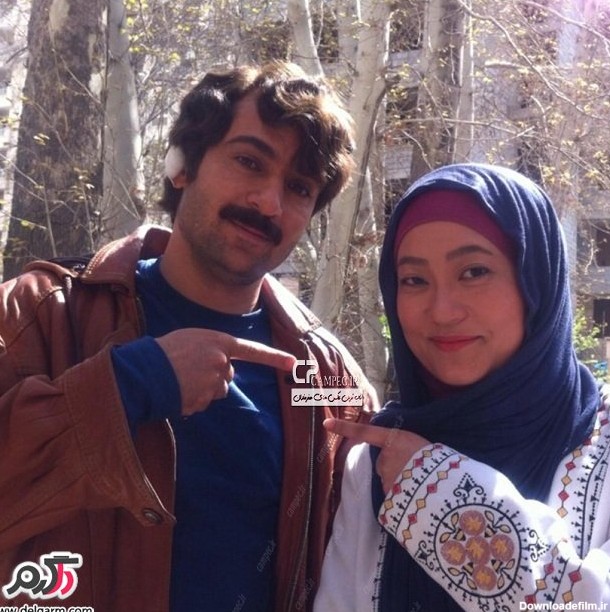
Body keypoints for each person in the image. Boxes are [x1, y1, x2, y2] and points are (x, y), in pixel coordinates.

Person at [0, 61, 376, 612]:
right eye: (249, 161)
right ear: (182, 165)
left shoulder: (328, 380)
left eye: (299, 187)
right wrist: (126, 387)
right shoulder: (37, 316)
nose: (269, 202)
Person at [314, 163, 610, 610]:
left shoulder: (599, 444)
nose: (442, 311)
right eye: (414, 280)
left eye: (474, 272)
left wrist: (441, 497)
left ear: (535, 281)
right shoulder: (379, 460)